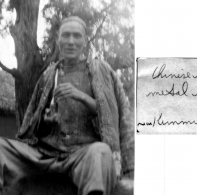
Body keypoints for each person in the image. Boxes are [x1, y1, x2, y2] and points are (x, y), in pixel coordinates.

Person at [0, 16, 134, 195]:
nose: (71, 41)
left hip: (83, 155)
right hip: (46, 155)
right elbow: (31, 125)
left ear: (85, 41)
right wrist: (46, 122)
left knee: (101, 152)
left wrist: (81, 97)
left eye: (77, 36)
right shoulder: (48, 75)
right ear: (58, 40)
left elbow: (114, 116)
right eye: (66, 35)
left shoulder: (99, 70)